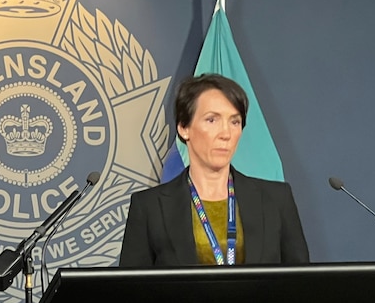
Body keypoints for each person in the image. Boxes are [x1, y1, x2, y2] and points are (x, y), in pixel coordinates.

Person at [119, 73, 309, 267]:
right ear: (184, 128)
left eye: (234, 122)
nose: (225, 133)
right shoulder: (148, 207)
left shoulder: (277, 200)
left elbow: (301, 284)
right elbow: (132, 291)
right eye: (212, 120)